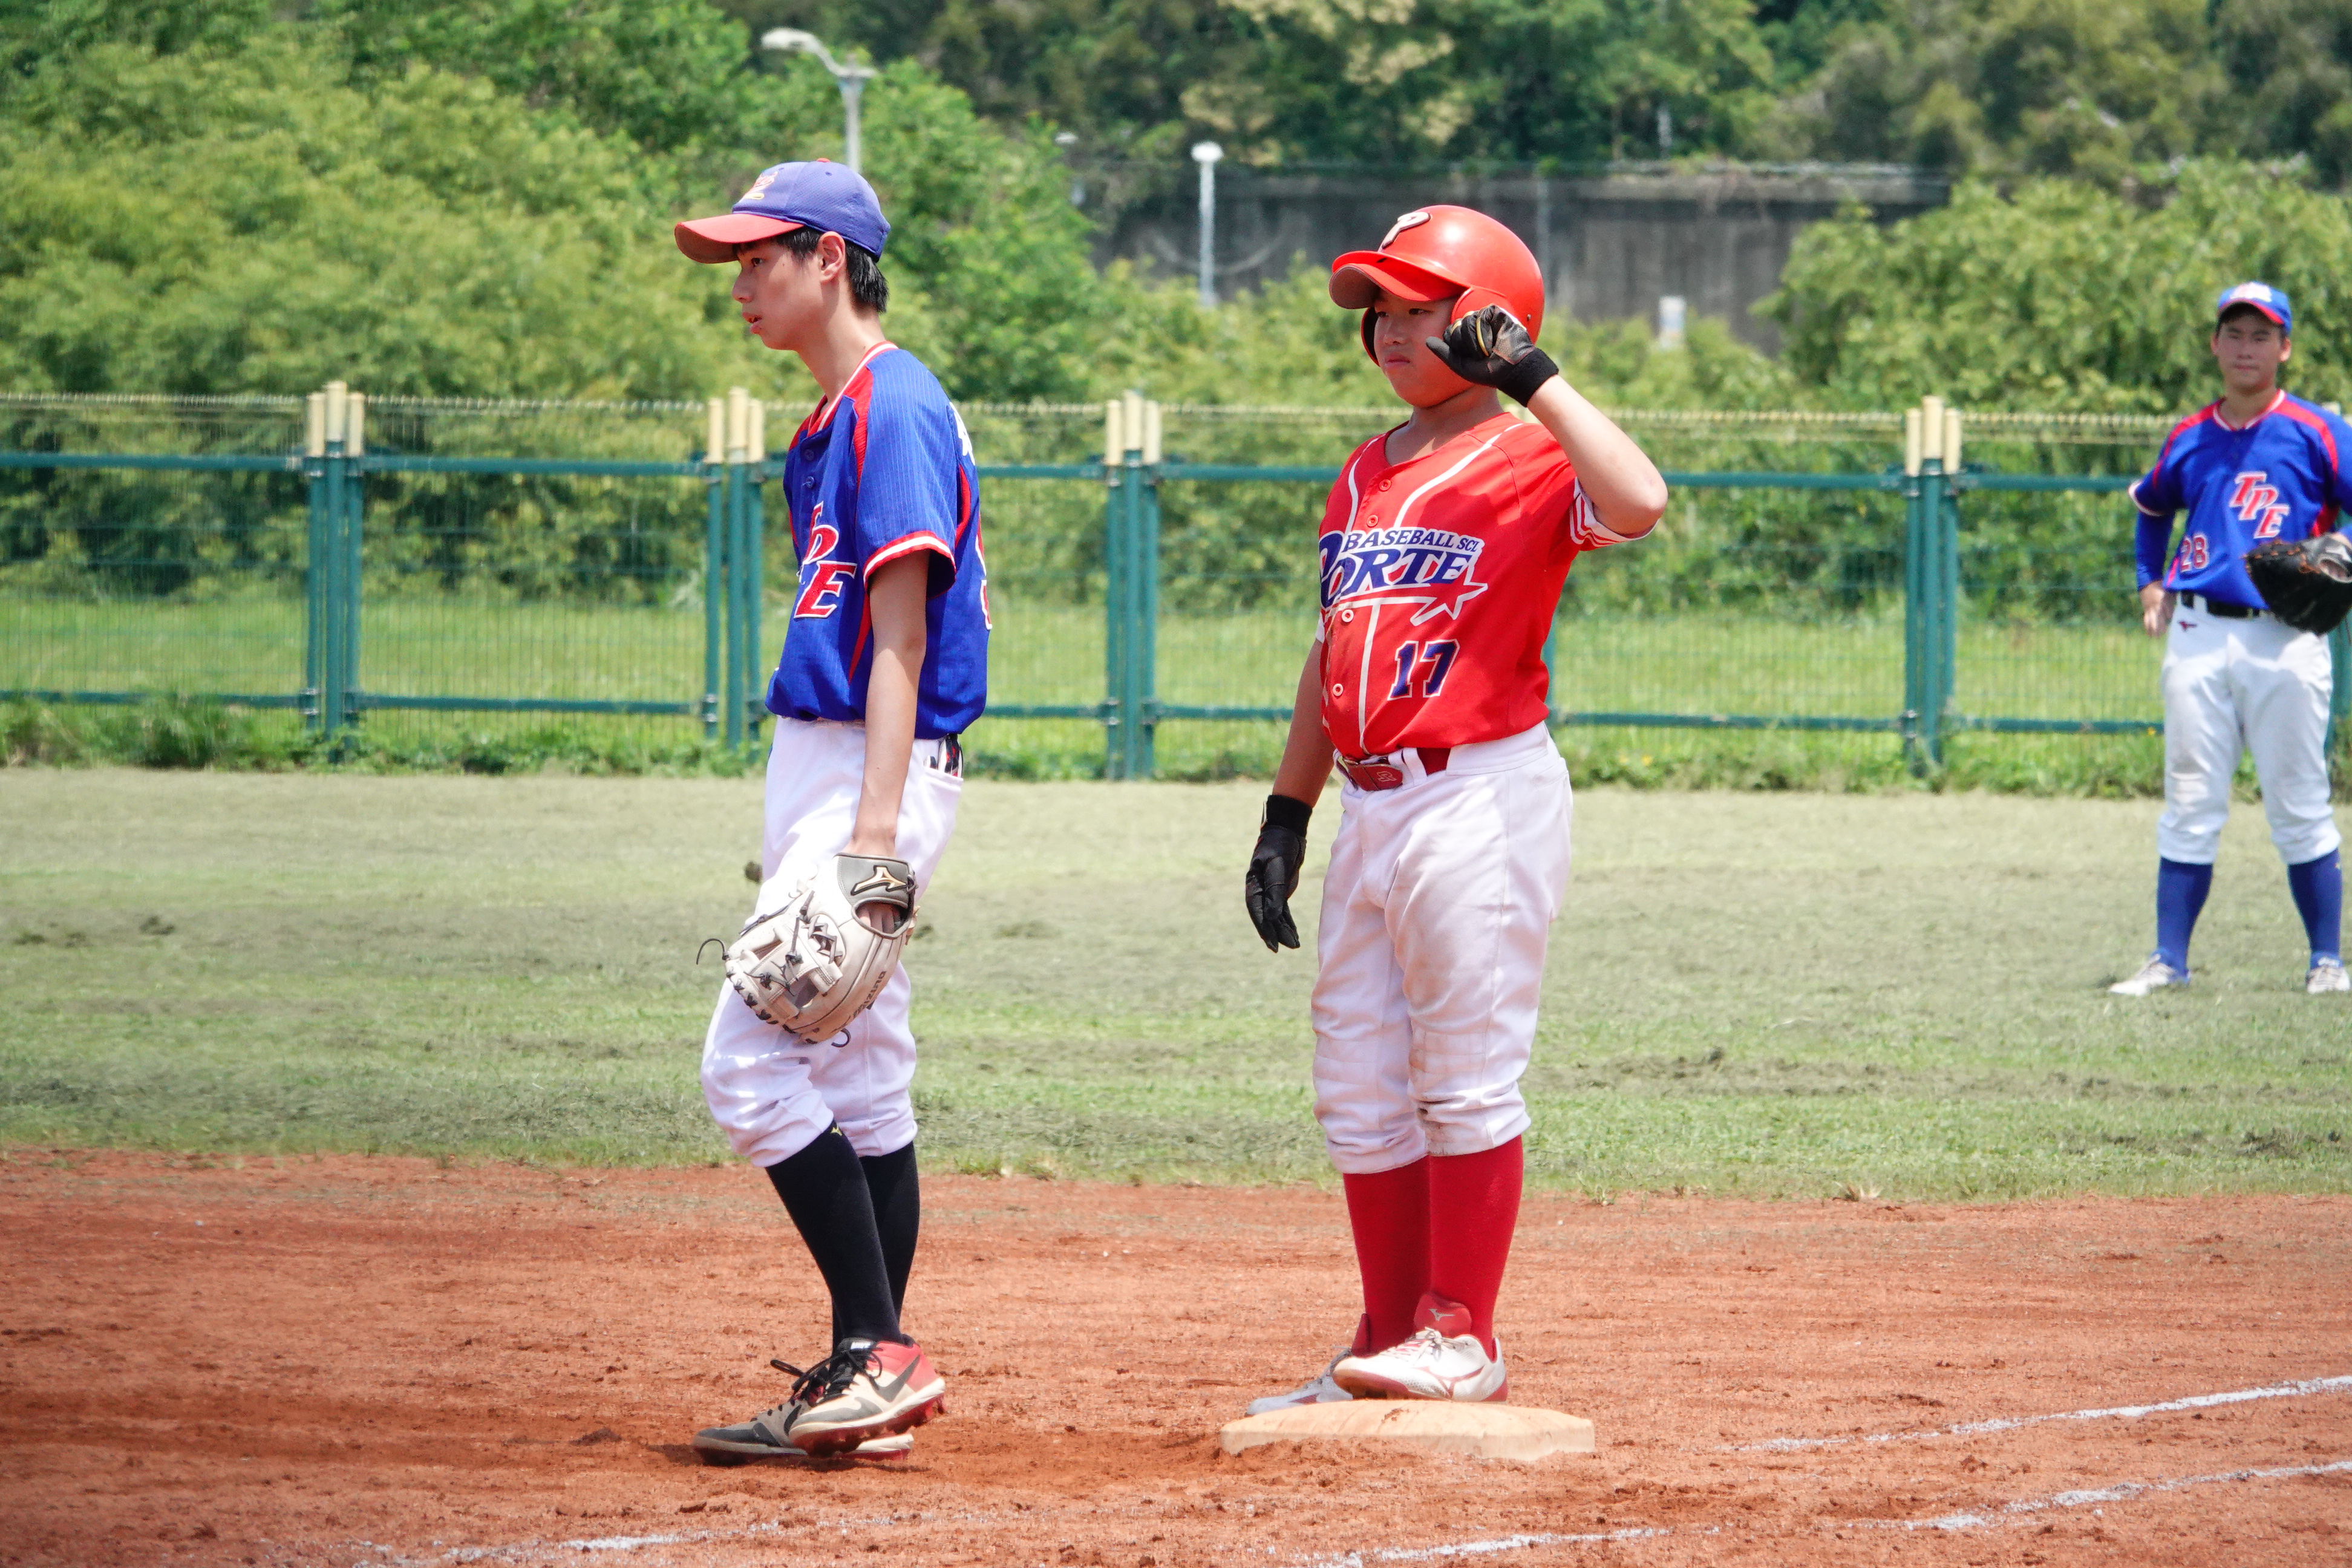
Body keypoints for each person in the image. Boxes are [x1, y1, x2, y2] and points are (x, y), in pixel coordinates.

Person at [1240, 207, 1667, 1411]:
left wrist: (1535, 378)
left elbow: (1640, 500)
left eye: (1420, 307)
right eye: (1380, 309)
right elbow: (1331, 649)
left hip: (1478, 794)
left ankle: (1461, 1334)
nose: (1389, 328)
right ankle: (1385, 1335)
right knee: (1357, 1080)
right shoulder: (1363, 471)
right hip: (1371, 807)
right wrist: (1286, 812)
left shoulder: (1534, 454)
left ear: (1487, 321)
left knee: (1464, 1075)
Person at [671, 160, 988, 1460]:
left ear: (831, 260)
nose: (740, 283)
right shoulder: (835, 414)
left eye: (761, 258)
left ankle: (878, 1349)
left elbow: (901, 634)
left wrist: (869, 839)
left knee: (747, 1066)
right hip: (834, 761)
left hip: (871, 768)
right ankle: (874, 1379)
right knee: (860, 1076)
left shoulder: (892, 405)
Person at [2111, 282, 2352, 998]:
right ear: (2216, 345)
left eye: (2262, 335)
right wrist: (2149, 581)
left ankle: (2327, 962)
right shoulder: (2190, 436)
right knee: (2189, 800)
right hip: (2197, 632)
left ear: (2285, 349)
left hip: (2287, 636)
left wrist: (2343, 553)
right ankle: (2169, 961)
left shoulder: (2317, 431)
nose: (2247, 348)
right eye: (2235, 334)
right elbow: (2152, 506)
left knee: (2299, 801)